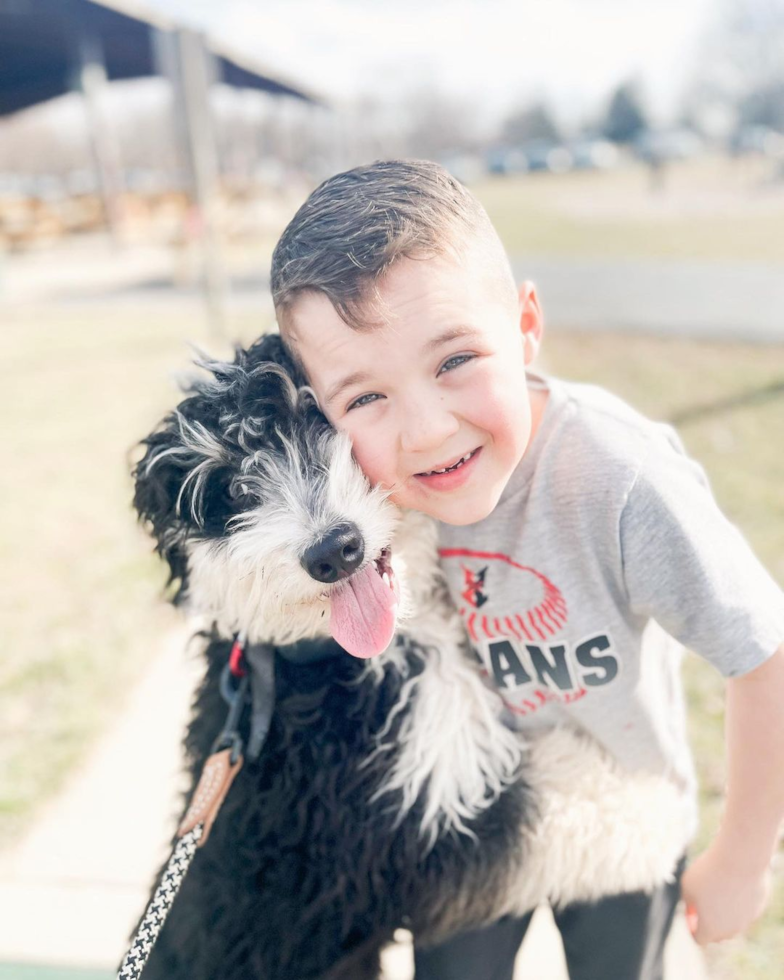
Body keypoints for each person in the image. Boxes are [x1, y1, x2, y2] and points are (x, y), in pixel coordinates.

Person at [268, 159, 784, 980]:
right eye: (365, 399)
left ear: (526, 324)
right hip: (466, 813)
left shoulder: (623, 482)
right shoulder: (355, 505)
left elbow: (764, 652)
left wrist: (745, 857)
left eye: (454, 360)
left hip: (621, 809)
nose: (429, 431)